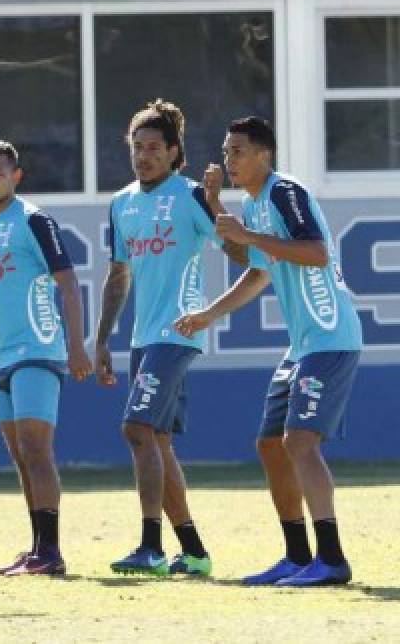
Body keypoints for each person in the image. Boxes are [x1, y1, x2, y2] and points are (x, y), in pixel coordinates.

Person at [174, 116, 362, 587]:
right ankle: (298, 557)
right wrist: (208, 315)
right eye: (225, 150)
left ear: (264, 155)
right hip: (302, 347)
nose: (228, 159)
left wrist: (249, 235)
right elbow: (257, 272)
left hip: (329, 337)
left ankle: (332, 559)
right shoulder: (254, 203)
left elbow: (317, 252)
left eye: (238, 150)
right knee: (269, 445)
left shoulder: (285, 191)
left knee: (300, 442)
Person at [95, 100, 244, 578]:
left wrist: (219, 203)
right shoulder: (121, 203)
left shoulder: (193, 196)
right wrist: (101, 341)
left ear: (174, 150)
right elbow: (118, 276)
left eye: (154, 148)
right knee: (156, 440)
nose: (143, 156)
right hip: (143, 338)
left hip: (177, 334)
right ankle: (194, 552)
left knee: (136, 429)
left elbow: (242, 255)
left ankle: (150, 546)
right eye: (137, 148)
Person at [0, 140, 92, 577]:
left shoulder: (34, 220)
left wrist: (76, 345)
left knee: (38, 450)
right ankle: (37, 546)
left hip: (37, 351)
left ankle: (52, 552)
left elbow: (69, 284)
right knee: (21, 456)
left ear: (16, 177)